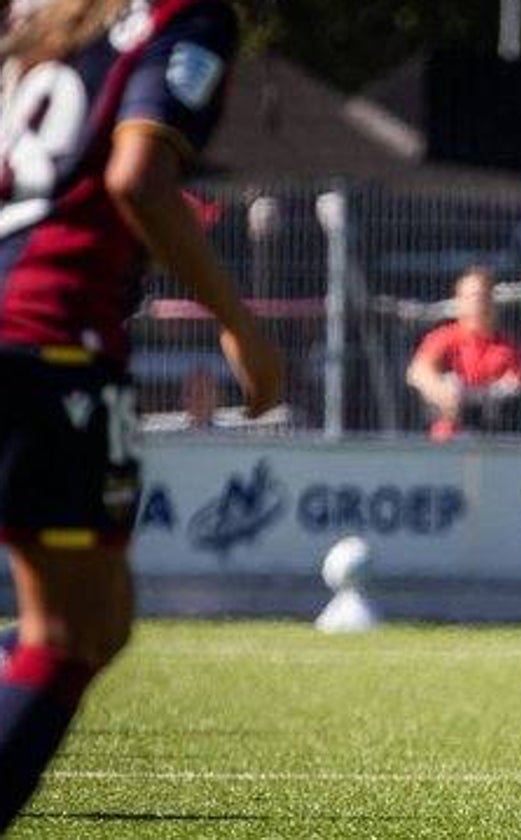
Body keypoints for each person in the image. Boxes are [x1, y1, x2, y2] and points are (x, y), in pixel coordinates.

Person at [0, 0, 283, 829]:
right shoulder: (182, 17)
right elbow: (138, 178)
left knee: (100, 617)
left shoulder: (47, 21)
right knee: (71, 633)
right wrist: (242, 327)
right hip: (49, 347)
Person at [406, 267, 521, 442]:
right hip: (446, 442)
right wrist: (442, 391)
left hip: (495, 441)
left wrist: (472, 397)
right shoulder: (444, 337)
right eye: (469, 298)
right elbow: (418, 372)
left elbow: (515, 390)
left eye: (482, 297)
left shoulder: (511, 348)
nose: (476, 304)